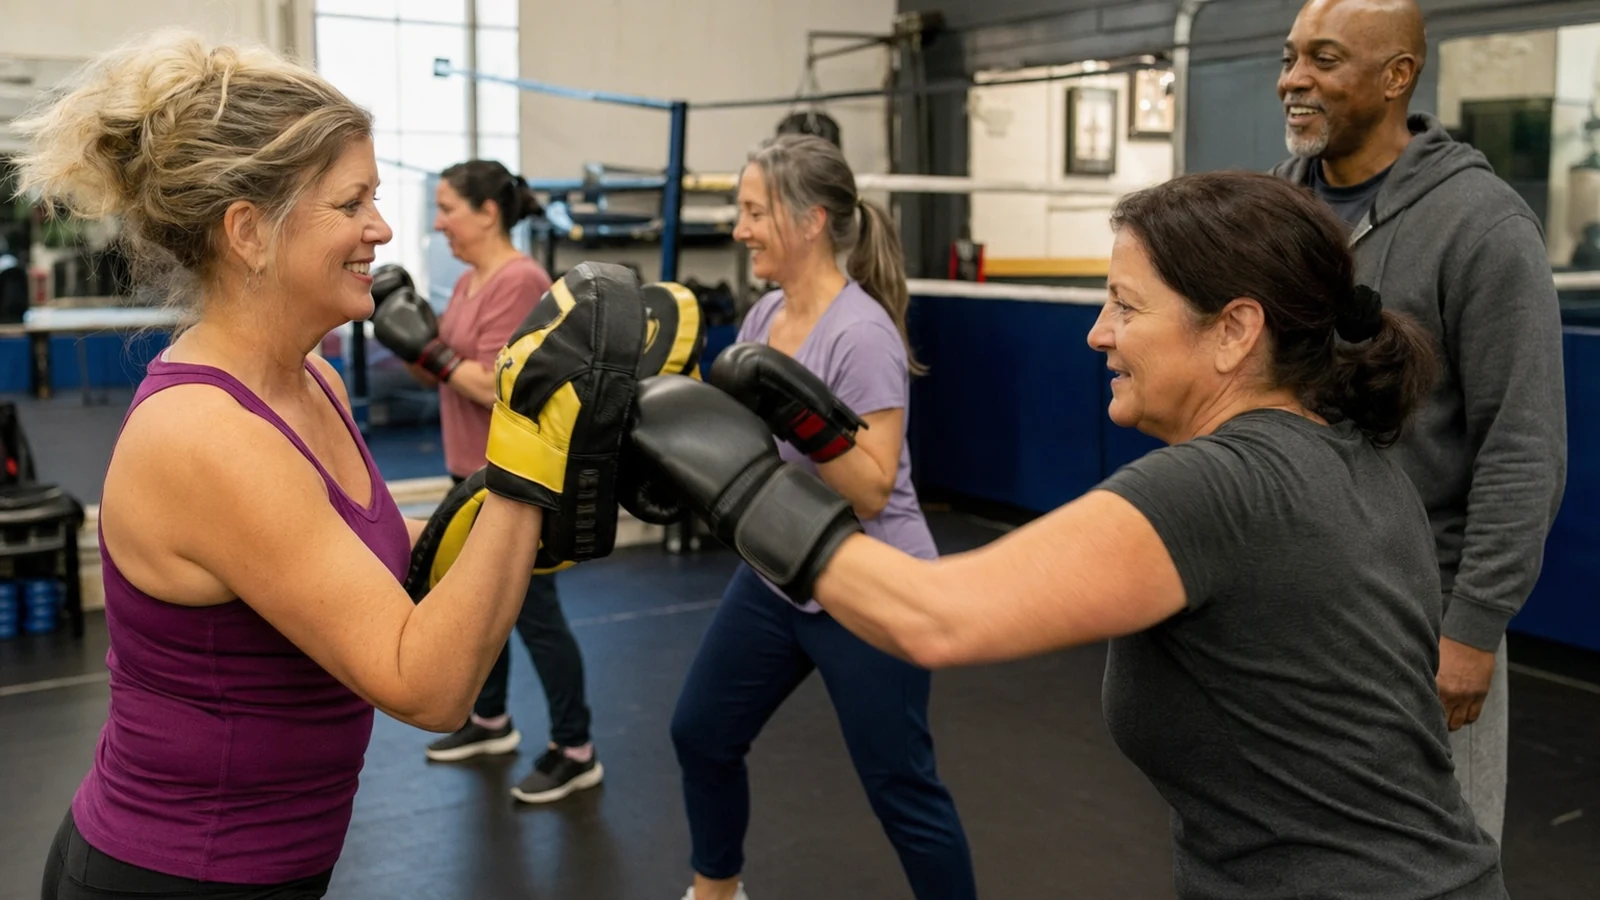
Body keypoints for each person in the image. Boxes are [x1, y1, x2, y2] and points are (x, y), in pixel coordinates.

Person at [629, 170, 1510, 899]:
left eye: (1126, 307)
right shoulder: (1353, 451)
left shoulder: (1219, 486)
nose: (1098, 333)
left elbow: (935, 615)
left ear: (1235, 330)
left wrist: (736, 480)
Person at [16, 32, 636, 898]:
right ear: (248, 233)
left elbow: (370, 552)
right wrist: (525, 470)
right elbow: (428, 686)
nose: (381, 229)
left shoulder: (313, 378)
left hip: (279, 867)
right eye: (352, 203)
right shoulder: (207, 434)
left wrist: (555, 517)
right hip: (173, 876)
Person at [1273, 0, 1568, 843]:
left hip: (1418, 613)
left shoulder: (1483, 224)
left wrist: (1473, 629)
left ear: (1398, 75)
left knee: (1434, 858)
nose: (1294, 78)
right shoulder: (1274, 211)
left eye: (1324, 59)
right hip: (1288, 597)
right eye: (1291, 56)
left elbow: (1524, 445)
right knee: (1297, 850)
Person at [667, 134, 977, 900]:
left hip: (869, 575)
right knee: (700, 732)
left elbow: (870, 487)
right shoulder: (766, 314)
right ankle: (718, 890)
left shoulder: (861, 332)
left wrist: (795, 409)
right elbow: (742, 442)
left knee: (900, 787)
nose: (738, 229)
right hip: (781, 568)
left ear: (808, 220)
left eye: (751, 211)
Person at [374, 158, 602, 805]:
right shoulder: (472, 282)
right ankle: (490, 720)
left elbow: (498, 385)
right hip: (466, 467)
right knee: (472, 598)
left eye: (448, 208)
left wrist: (437, 355)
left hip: (512, 478)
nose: (439, 221)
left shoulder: (520, 280)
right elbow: (441, 375)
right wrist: (411, 340)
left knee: (534, 613)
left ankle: (576, 748)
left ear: (487, 212)